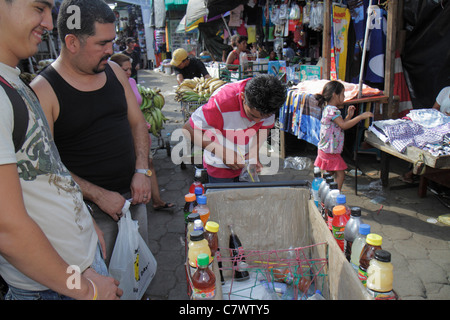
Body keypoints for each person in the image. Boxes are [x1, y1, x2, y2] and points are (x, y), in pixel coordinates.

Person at [0, 0, 122, 300]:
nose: (48, 22)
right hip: (54, 287)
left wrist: (81, 219)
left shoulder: (14, 84)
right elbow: (7, 229)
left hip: (75, 270)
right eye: (38, 7)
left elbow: (45, 173)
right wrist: (86, 289)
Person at [30, 0, 152, 270]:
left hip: (133, 199)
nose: (111, 50)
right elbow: (45, 167)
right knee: (103, 285)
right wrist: (97, 196)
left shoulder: (115, 72)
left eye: (112, 41)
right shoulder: (43, 91)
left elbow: (137, 123)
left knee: (138, 273)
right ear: (72, 42)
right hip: (88, 216)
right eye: (102, 43)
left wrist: (142, 171)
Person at [183, 74, 287, 183]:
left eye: (263, 117)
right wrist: (221, 152)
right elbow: (188, 128)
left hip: (246, 163)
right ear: (243, 98)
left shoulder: (269, 104)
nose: (256, 122)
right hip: (219, 165)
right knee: (222, 196)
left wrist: (253, 153)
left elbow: (264, 129)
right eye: (253, 116)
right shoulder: (220, 102)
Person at [110, 53, 175, 211]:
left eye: (129, 69)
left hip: (139, 130)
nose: (128, 72)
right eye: (124, 69)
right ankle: (133, 200)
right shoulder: (110, 85)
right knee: (133, 167)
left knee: (148, 163)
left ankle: (157, 200)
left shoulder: (131, 82)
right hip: (122, 133)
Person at [314, 81, 374, 191]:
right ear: (334, 95)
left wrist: (349, 116)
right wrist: (361, 116)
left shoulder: (328, 109)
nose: (344, 97)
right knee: (340, 174)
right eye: (342, 94)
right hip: (329, 151)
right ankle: (335, 195)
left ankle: (322, 192)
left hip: (326, 149)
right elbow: (344, 125)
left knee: (328, 173)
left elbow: (339, 126)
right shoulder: (333, 110)